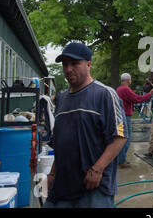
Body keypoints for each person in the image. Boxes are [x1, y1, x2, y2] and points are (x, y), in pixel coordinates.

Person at [44, 42, 127, 208]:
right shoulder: (61, 99)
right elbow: (61, 143)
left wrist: (97, 169)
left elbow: (120, 137)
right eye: (65, 64)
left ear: (89, 64)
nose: (68, 69)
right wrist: (52, 172)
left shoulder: (104, 94)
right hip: (62, 186)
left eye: (75, 63)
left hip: (93, 188)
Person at [116, 73, 153, 168]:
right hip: (125, 116)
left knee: (121, 138)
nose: (131, 81)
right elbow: (137, 99)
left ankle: (121, 159)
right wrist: (149, 94)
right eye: (131, 79)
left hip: (120, 116)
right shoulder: (126, 89)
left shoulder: (119, 89)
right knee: (126, 139)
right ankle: (121, 161)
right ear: (128, 80)